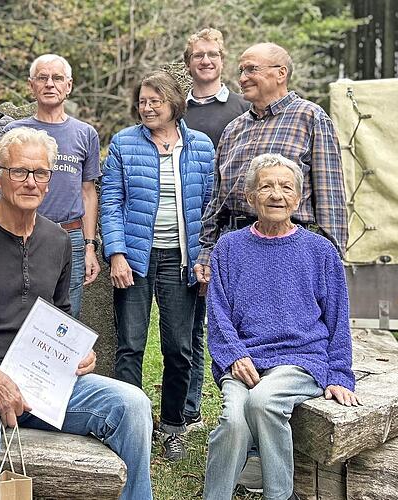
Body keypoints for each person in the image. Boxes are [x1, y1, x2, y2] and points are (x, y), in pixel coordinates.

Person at [0, 127, 153, 500]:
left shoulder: (58, 240)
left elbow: (60, 317)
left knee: (132, 404)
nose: (31, 182)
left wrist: (77, 352)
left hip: (43, 383)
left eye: (41, 172)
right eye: (20, 171)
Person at [203, 153, 359, 500]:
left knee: (263, 401)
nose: (277, 195)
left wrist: (339, 375)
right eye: (266, 187)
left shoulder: (320, 251)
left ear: (298, 198)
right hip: (245, 360)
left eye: (286, 187)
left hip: (301, 360)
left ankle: (279, 494)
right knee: (233, 422)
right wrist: (233, 355)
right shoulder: (228, 247)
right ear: (250, 197)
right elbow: (218, 313)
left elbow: (337, 318)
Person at [100, 71, 214, 461]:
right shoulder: (123, 143)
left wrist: (205, 257)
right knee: (130, 346)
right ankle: (131, 427)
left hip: (181, 261)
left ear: (174, 103)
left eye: (155, 101)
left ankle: (172, 427)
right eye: (142, 102)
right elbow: (111, 203)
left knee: (179, 348)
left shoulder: (200, 146)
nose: (147, 108)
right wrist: (116, 253)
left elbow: (210, 209)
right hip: (135, 259)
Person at [195, 42, 347, 286]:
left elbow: (330, 198)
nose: (242, 78)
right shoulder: (233, 129)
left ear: (281, 73)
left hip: (291, 251)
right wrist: (207, 250)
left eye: (251, 69)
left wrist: (332, 262)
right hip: (235, 250)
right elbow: (217, 199)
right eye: (241, 71)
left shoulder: (311, 118)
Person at [181, 27, 250, 432]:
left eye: (213, 55)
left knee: (233, 321)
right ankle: (190, 410)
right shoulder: (177, 110)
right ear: (188, 63)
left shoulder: (243, 109)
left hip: (234, 231)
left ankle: (237, 408)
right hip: (189, 229)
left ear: (223, 60)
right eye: (198, 55)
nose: (205, 61)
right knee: (191, 324)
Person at [4, 54, 101, 318]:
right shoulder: (14, 132)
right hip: (22, 235)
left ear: (69, 85)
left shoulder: (85, 133)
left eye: (57, 78)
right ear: (31, 85)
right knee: (17, 312)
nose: (50, 84)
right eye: (42, 78)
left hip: (71, 237)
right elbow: (2, 187)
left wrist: (89, 245)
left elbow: (88, 192)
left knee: (66, 318)